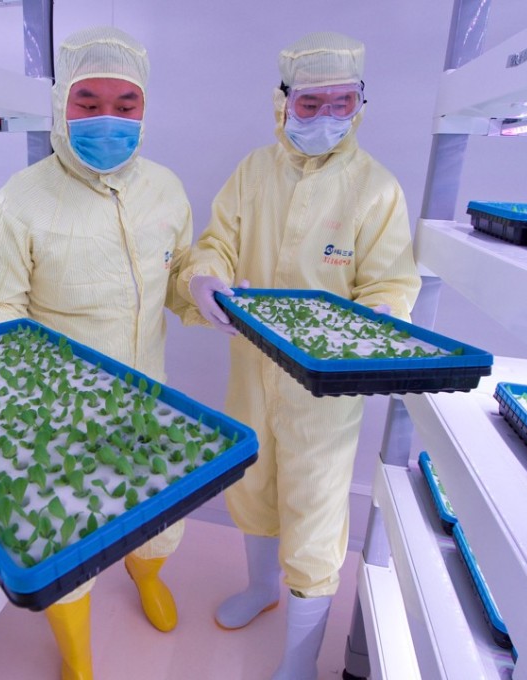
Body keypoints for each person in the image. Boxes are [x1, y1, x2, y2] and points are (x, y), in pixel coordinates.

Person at [177, 32, 421, 680]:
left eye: (342, 103)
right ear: (282, 102)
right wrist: (204, 280)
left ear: (361, 104)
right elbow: (216, 245)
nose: (326, 119)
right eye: (310, 105)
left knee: (314, 517)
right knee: (253, 483)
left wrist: (366, 330)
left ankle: (299, 659)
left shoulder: (376, 190)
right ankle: (262, 589)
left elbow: (392, 286)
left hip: (326, 393)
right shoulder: (252, 173)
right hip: (252, 371)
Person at [0, 26, 195, 680]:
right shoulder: (20, 200)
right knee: (68, 535)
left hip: (149, 393)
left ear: (145, 110)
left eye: (125, 104)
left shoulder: (168, 190)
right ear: (62, 105)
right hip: (59, 411)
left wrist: (203, 289)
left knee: (159, 513)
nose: (107, 119)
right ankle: (78, 656)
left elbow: (176, 278)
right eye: (88, 103)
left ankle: (147, 574)